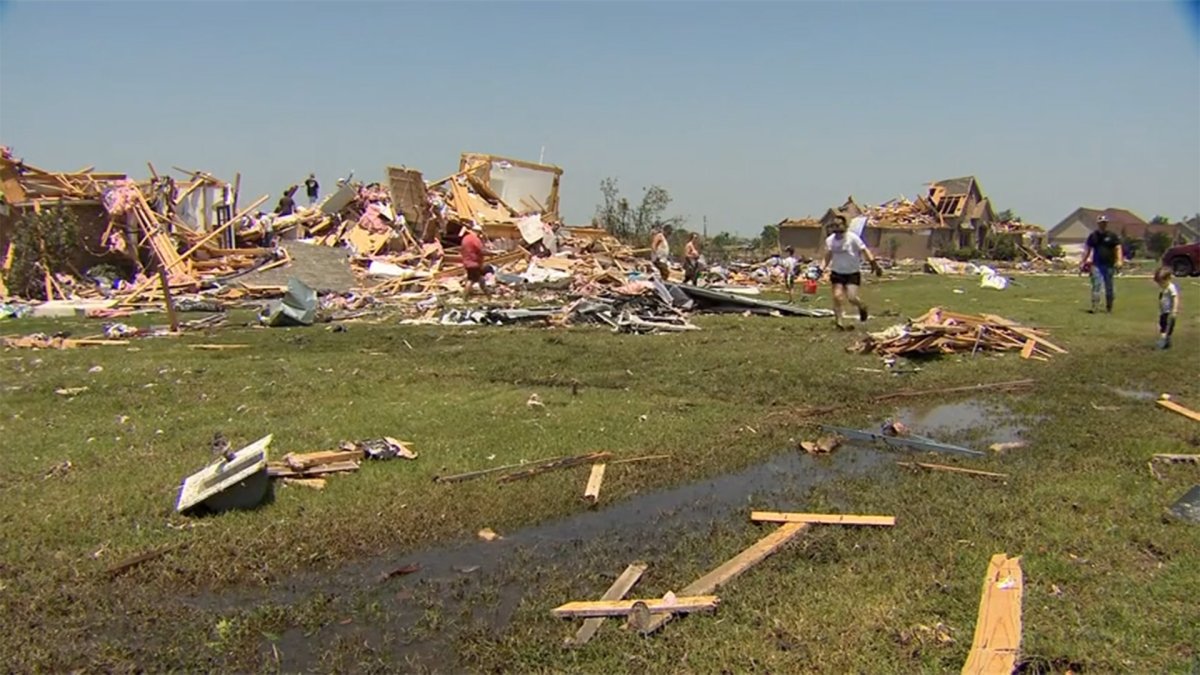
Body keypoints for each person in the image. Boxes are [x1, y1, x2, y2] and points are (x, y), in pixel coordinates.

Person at [821, 214, 882, 330]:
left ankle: (862, 307)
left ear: (845, 226)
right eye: (834, 225)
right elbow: (827, 257)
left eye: (838, 225)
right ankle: (839, 322)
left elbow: (864, 250)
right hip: (837, 272)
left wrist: (874, 264)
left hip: (852, 272)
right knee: (837, 296)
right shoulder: (830, 240)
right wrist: (820, 269)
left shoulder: (852, 238)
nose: (836, 227)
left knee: (852, 297)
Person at [1082, 214, 1123, 313]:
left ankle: (1109, 307)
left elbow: (1118, 248)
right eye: (1101, 223)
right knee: (1096, 285)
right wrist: (1083, 261)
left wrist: (1119, 260)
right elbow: (1088, 249)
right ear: (1098, 224)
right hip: (1096, 265)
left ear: (1107, 224)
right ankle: (1095, 306)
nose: (1103, 225)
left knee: (1109, 286)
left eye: (1105, 223)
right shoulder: (1093, 236)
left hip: (1109, 265)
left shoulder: (1112, 236)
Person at [460, 223, 489, 297]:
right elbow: (482, 251)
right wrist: (494, 253)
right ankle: (464, 297)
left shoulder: (465, 238)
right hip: (474, 263)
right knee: (471, 280)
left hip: (467, 262)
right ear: (478, 232)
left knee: (480, 279)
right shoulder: (475, 239)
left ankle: (488, 295)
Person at [1154, 267, 1180, 349]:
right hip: (1164, 312)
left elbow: (1175, 297)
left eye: (1161, 282)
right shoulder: (1164, 288)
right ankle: (1167, 343)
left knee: (1165, 328)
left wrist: (1174, 310)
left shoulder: (1171, 287)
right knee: (1163, 326)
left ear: (1168, 279)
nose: (1160, 285)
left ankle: (1163, 342)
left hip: (1169, 312)